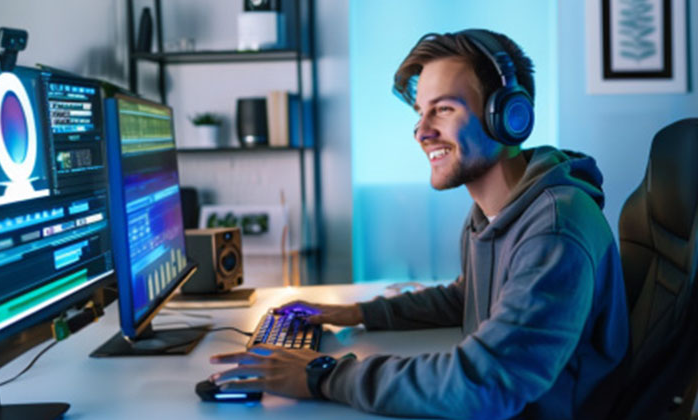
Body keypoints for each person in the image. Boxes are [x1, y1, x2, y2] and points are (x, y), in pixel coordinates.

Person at [210, 29, 629, 419]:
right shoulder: (496, 212)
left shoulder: (555, 229)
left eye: (443, 109)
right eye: (420, 113)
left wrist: (323, 375)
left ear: (509, 116)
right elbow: (465, 298)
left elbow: (485, 384)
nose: (422, 132)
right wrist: (355, 312)